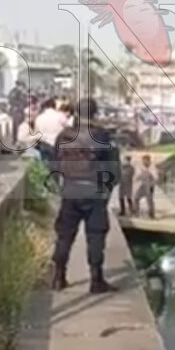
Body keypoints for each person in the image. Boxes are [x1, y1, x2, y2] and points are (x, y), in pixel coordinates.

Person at [51, 97, 120, 294]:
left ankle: (58, 276)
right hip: (95, 192)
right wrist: (107, 190)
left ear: (75, 113)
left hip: (70, 191)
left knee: (64, 235)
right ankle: (96, 280)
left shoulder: (64, 136)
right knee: (96, 235)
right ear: (95, 114)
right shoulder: (102, 136)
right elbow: (113, 169)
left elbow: (54, 165)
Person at [35, 97, 67, 165]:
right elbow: (67, 127)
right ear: (54, 106)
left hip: (44, 144)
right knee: (57, 166)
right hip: (58, 144)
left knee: (45, 166)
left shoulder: (39, 118)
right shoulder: (60, 115)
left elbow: (36, 132)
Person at [134, 154, 156, 219]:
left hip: (150, 186)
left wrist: (151, 185)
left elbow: (156, 178)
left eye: (145, 161)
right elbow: (138, 177)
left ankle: (151, 215)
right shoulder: (142, 167)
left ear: (149, 161)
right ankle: (136, 212)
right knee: (136, 197)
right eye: (143, 161)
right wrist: (138, 177)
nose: (143, 162)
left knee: (149, 200)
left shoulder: (153, 168)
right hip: (143, 185)